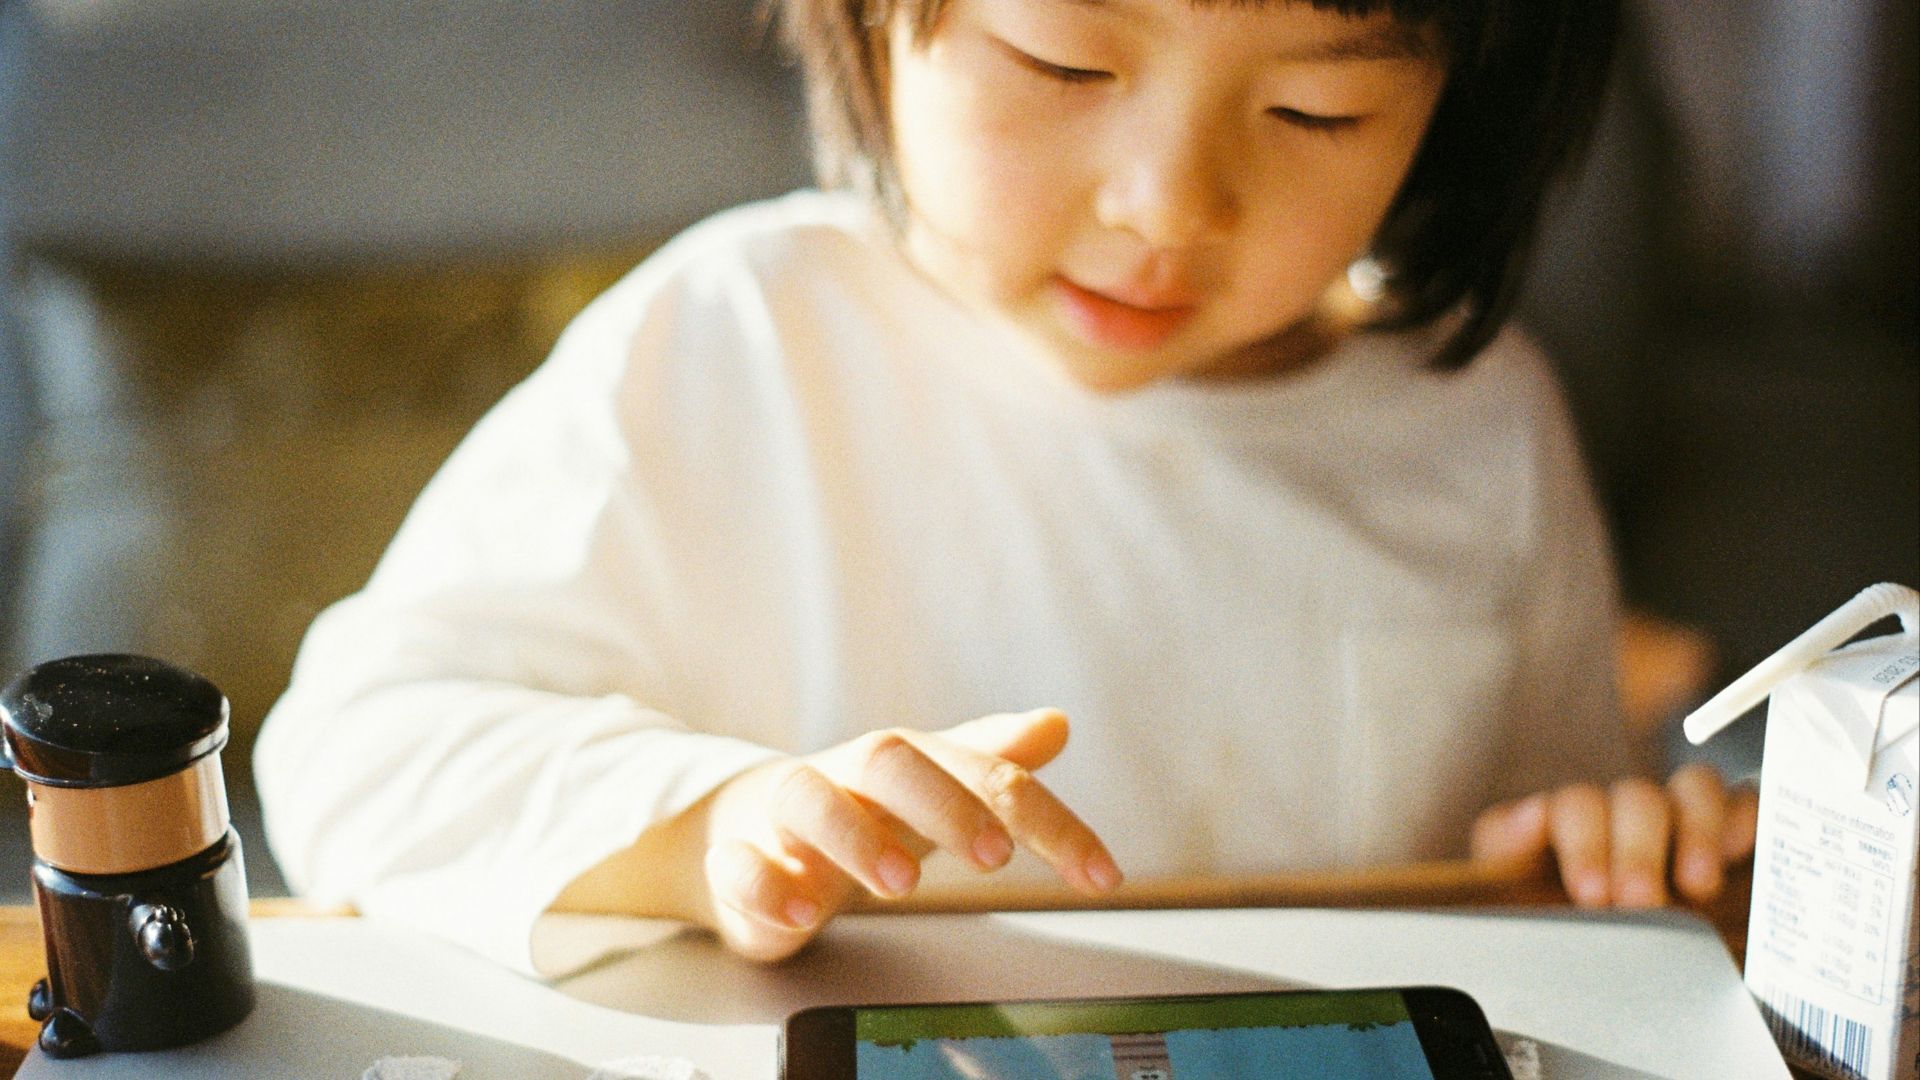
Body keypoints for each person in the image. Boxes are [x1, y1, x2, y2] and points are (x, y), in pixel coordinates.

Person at [256, 0, 1759, 975]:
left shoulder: (1478, 427)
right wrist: (704, 823)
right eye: (1064, 62)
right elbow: (357, 753)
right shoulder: (732, 341)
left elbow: (1543, 858)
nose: (1169, 201)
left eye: (1316, 111)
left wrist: (1604, 848)